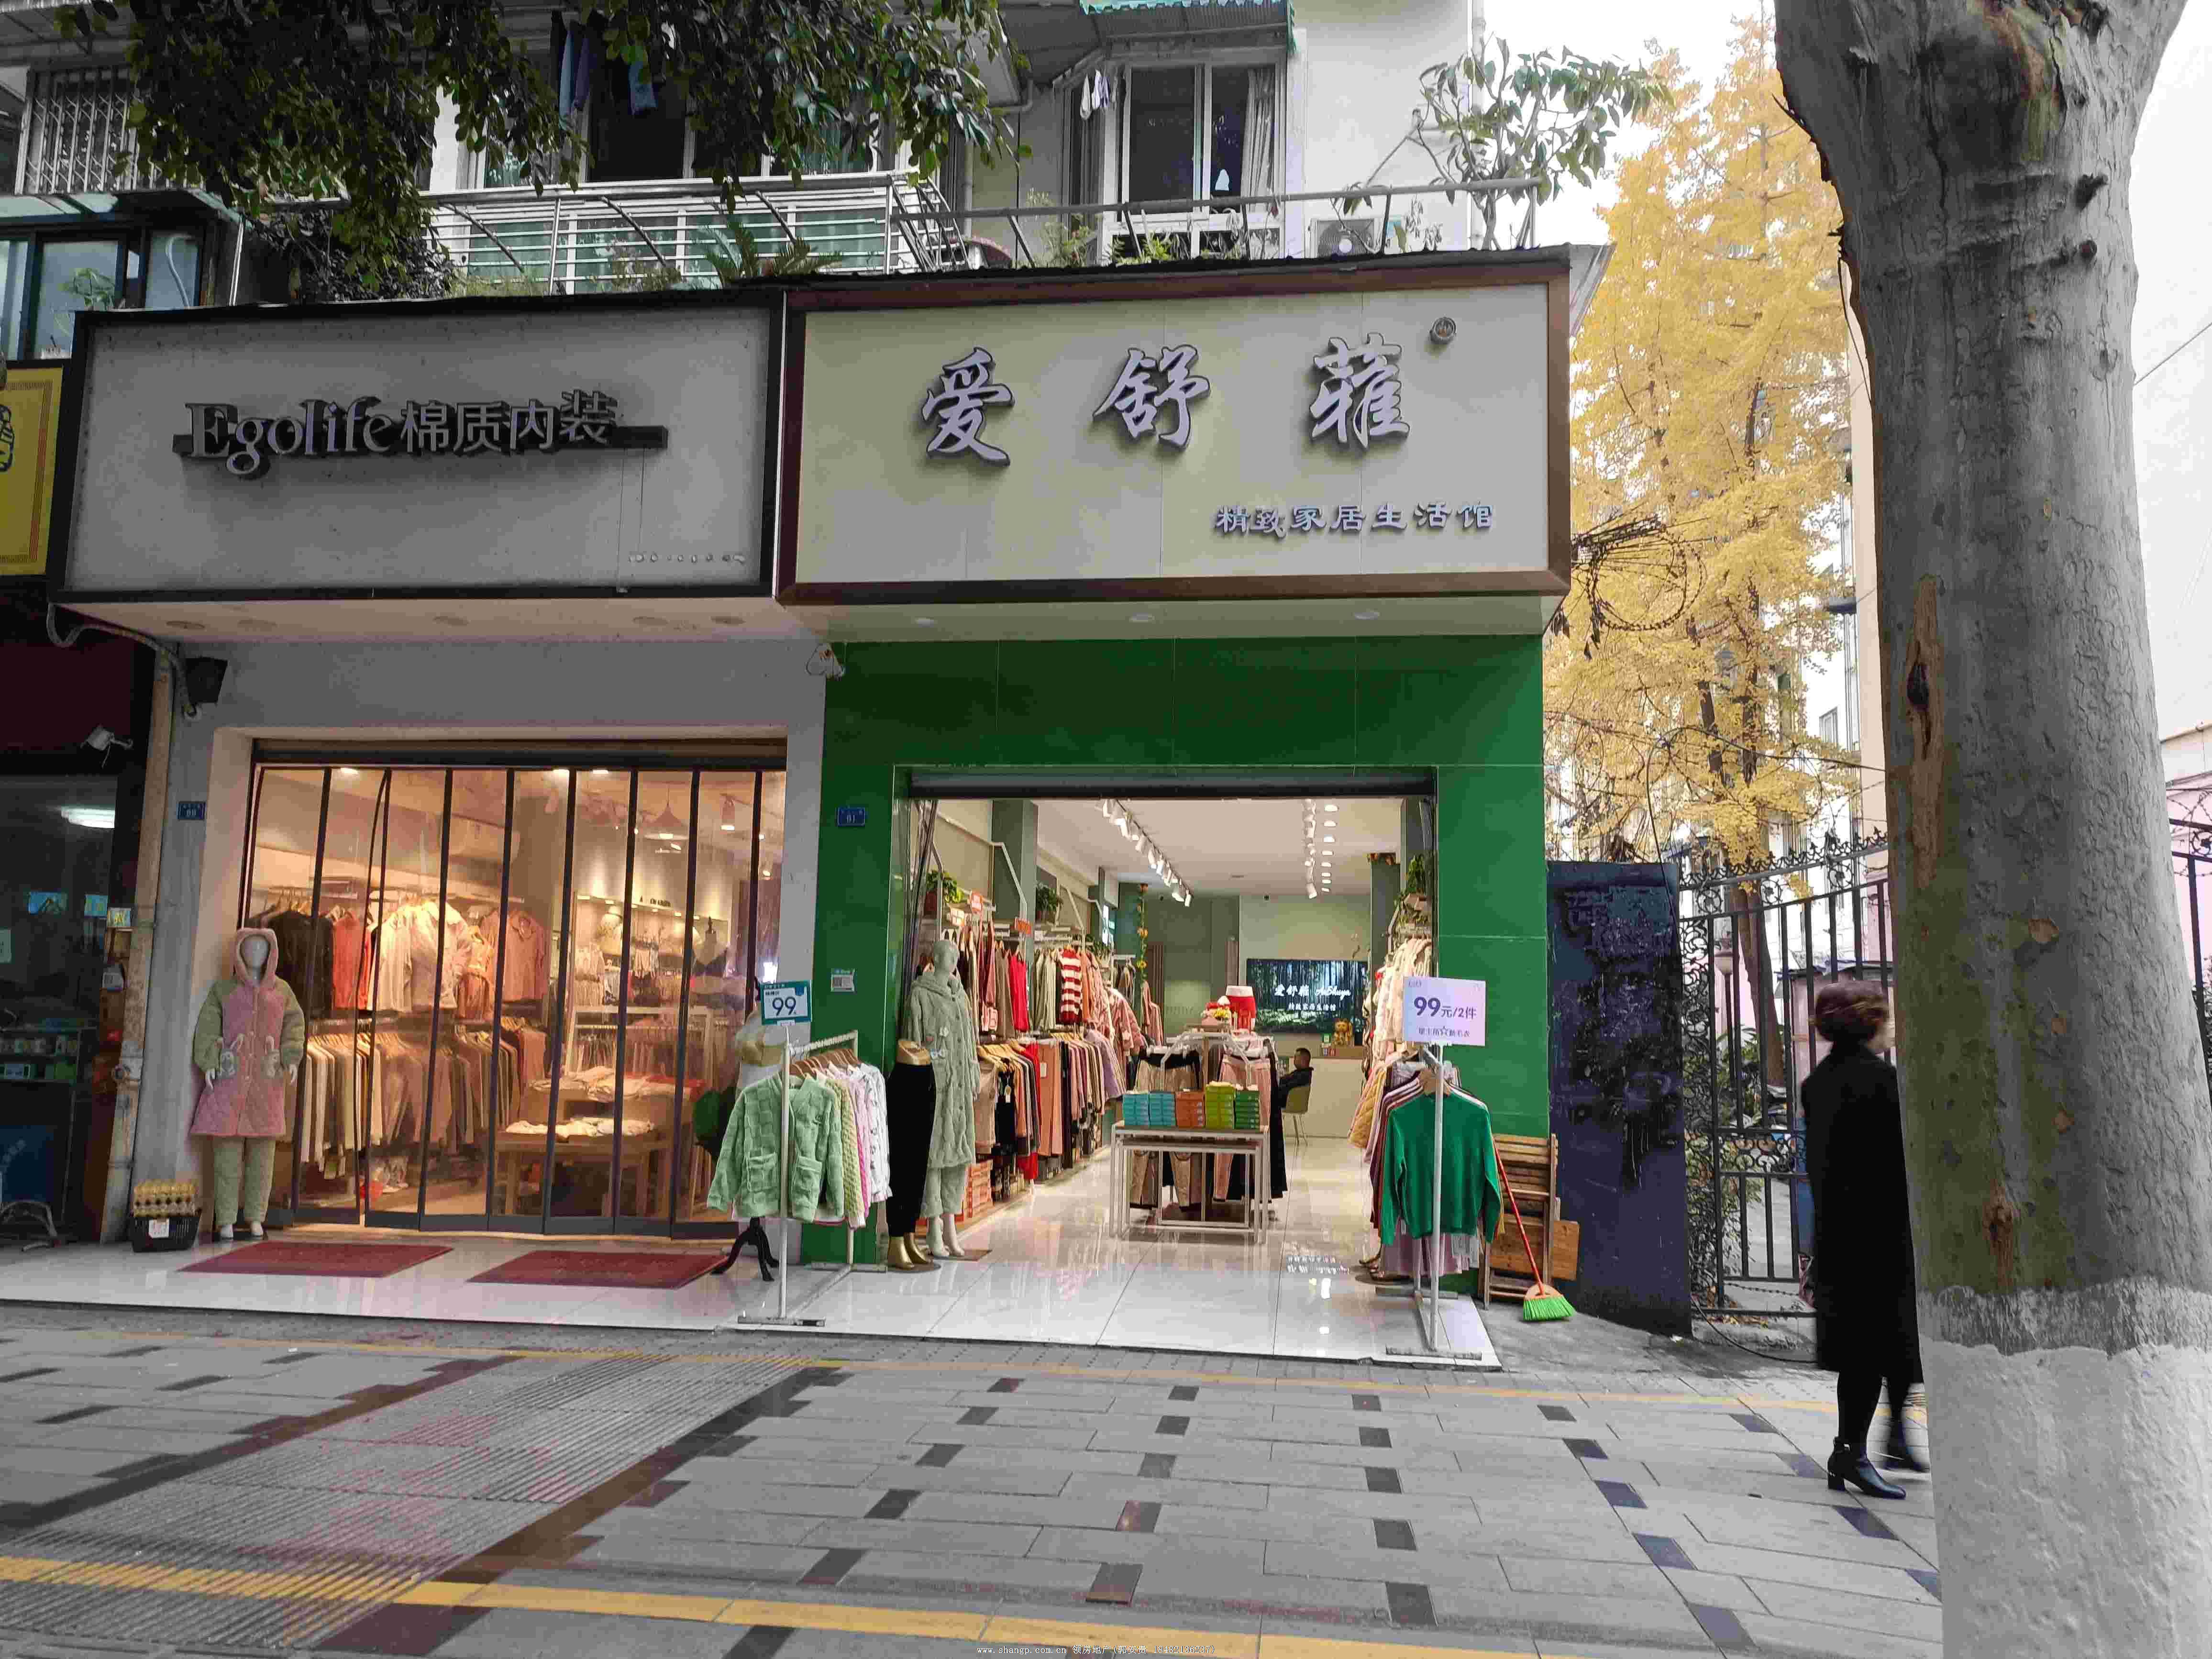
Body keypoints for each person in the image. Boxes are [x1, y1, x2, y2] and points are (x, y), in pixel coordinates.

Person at [1802, 980, 1924, 1499]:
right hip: (1882, 1236)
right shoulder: (1883, 1082)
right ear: (1869, 1022)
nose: (1892, 1025)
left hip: (1840, 1234)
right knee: (1875, 1351)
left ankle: (1864, 1444)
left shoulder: (1818, 1083)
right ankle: (1851, 1452)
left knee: (1865, 1351)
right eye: (1886, 1016)